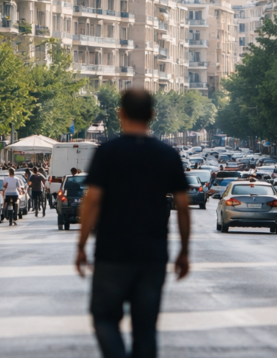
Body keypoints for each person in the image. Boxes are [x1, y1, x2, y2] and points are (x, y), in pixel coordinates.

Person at [75, 89, 190, 358]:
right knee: (146, 327)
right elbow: (183, 207)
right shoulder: (167, 155)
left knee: (103, 318)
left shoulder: (107, 152)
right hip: (152, 254)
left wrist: (80, 245)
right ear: (152, 115)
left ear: (120, 114)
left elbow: (92, 201)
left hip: (111, 252)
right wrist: (184, 251)